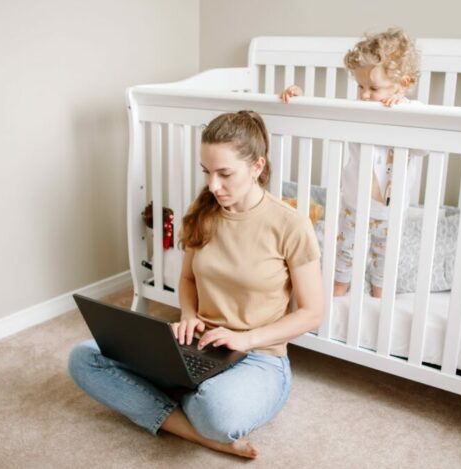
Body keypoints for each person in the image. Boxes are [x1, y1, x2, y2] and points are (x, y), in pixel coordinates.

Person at [68, 110, 324, 459]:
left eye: (225, 174)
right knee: (84, 357)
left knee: (217, 412)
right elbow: (187, 278)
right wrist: (188, 314)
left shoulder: (291, 225)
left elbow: (312, 313)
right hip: (199, 345)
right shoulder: (203, 211)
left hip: (259, 356)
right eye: (207, 173)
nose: (213, 186)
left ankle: (187, 406)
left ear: (257, 166)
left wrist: (245, 338)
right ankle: (197, 433)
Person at [280, 27, 425, 298]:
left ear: (403, 83)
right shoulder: (357, 112)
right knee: (345, 248)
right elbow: (323, 116)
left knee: (384, 252)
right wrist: (299, 99)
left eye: (373, 88)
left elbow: (425, 146)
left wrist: (406, 108)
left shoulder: (413, 114)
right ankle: (339, 288)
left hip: (391, 210)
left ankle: (379, 292)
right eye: (360, 86)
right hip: (355, 203)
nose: (365, 95)